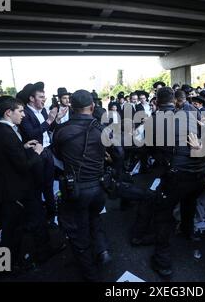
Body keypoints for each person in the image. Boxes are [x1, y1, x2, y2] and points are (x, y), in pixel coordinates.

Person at [140, 86, 205, 279]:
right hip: (201, 173)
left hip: (179, 175)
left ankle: (163, 261)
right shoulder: (190, 115)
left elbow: (147, 148)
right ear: (175, 100)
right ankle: (188, 231)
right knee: (189, 200)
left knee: (163, 213)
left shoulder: (154, 121)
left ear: (156, 101)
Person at [0, 96, 62, 271]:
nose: (23, 115)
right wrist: (37, 152)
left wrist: (23, 147)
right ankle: (5, 266)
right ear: (8, 112)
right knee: (12, 229)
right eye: (20, 111)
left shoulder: (0, 130)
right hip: (14, 190)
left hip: (13, 189)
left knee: (19, 226)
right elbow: (22, 165)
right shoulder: (5, 133)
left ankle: (9, 263)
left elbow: (8, 156)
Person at [52, 90, 117, 282]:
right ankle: (103, 251)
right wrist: (110, 164)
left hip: (76, 189)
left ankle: (91, 274)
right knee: (94, 217)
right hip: (99, 186)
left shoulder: (62, 130)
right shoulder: (102, 129)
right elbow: (119, 152)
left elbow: (57, 154)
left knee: (77, 230)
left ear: (71, 107)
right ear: (93, 106)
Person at [19, 82, 67, 224]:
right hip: (36, 154)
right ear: (31, 99)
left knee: (49, 184)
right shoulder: (25, 114)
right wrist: (50, 119)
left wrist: (56, 119)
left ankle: (52, 214)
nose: (44, 99)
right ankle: (39, 217)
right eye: (41, 97)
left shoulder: (44, 111)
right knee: (38, 186)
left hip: (47, 151)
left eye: (44, 96)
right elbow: (31, 133)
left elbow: (50, 128)